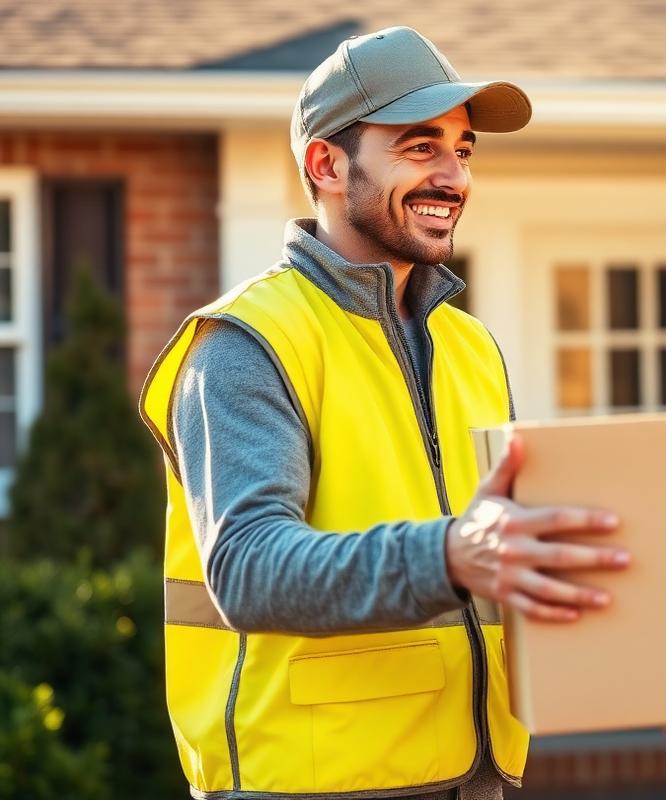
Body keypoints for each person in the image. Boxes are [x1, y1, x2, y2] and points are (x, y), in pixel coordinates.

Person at [139, 26, 629, 800]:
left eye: (463, 151)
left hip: (473, 777)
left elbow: (500, 554)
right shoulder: (246, 343)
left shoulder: (471, 347)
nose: (453, 177)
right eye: (419, 146)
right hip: (310, 781)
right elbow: (248, 567)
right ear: (326, 165)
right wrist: (450, 557)